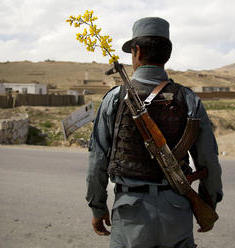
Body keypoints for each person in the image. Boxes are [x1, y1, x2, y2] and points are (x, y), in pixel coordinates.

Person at [86, 17, 223, 248]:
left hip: (130, 213)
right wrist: (209, 205)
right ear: (167, 54)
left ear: (136, 51)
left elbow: (97, 160)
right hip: (177, 210)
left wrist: (98, 208)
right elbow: (209, 161)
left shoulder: (115, 98)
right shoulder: (189, 99)